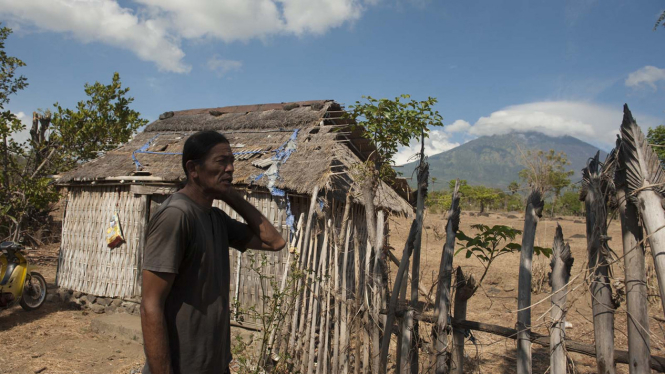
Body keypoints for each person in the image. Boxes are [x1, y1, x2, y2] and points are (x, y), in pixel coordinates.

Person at [140, 130, 286, 374]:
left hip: (214, 365)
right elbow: (150, 304)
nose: (230, 168)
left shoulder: (216, 218)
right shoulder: (177, 216)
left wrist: (229, 194)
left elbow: (275, 241)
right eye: (221, 162)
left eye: (231, 162)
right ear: (193, 169)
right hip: (182, 367)